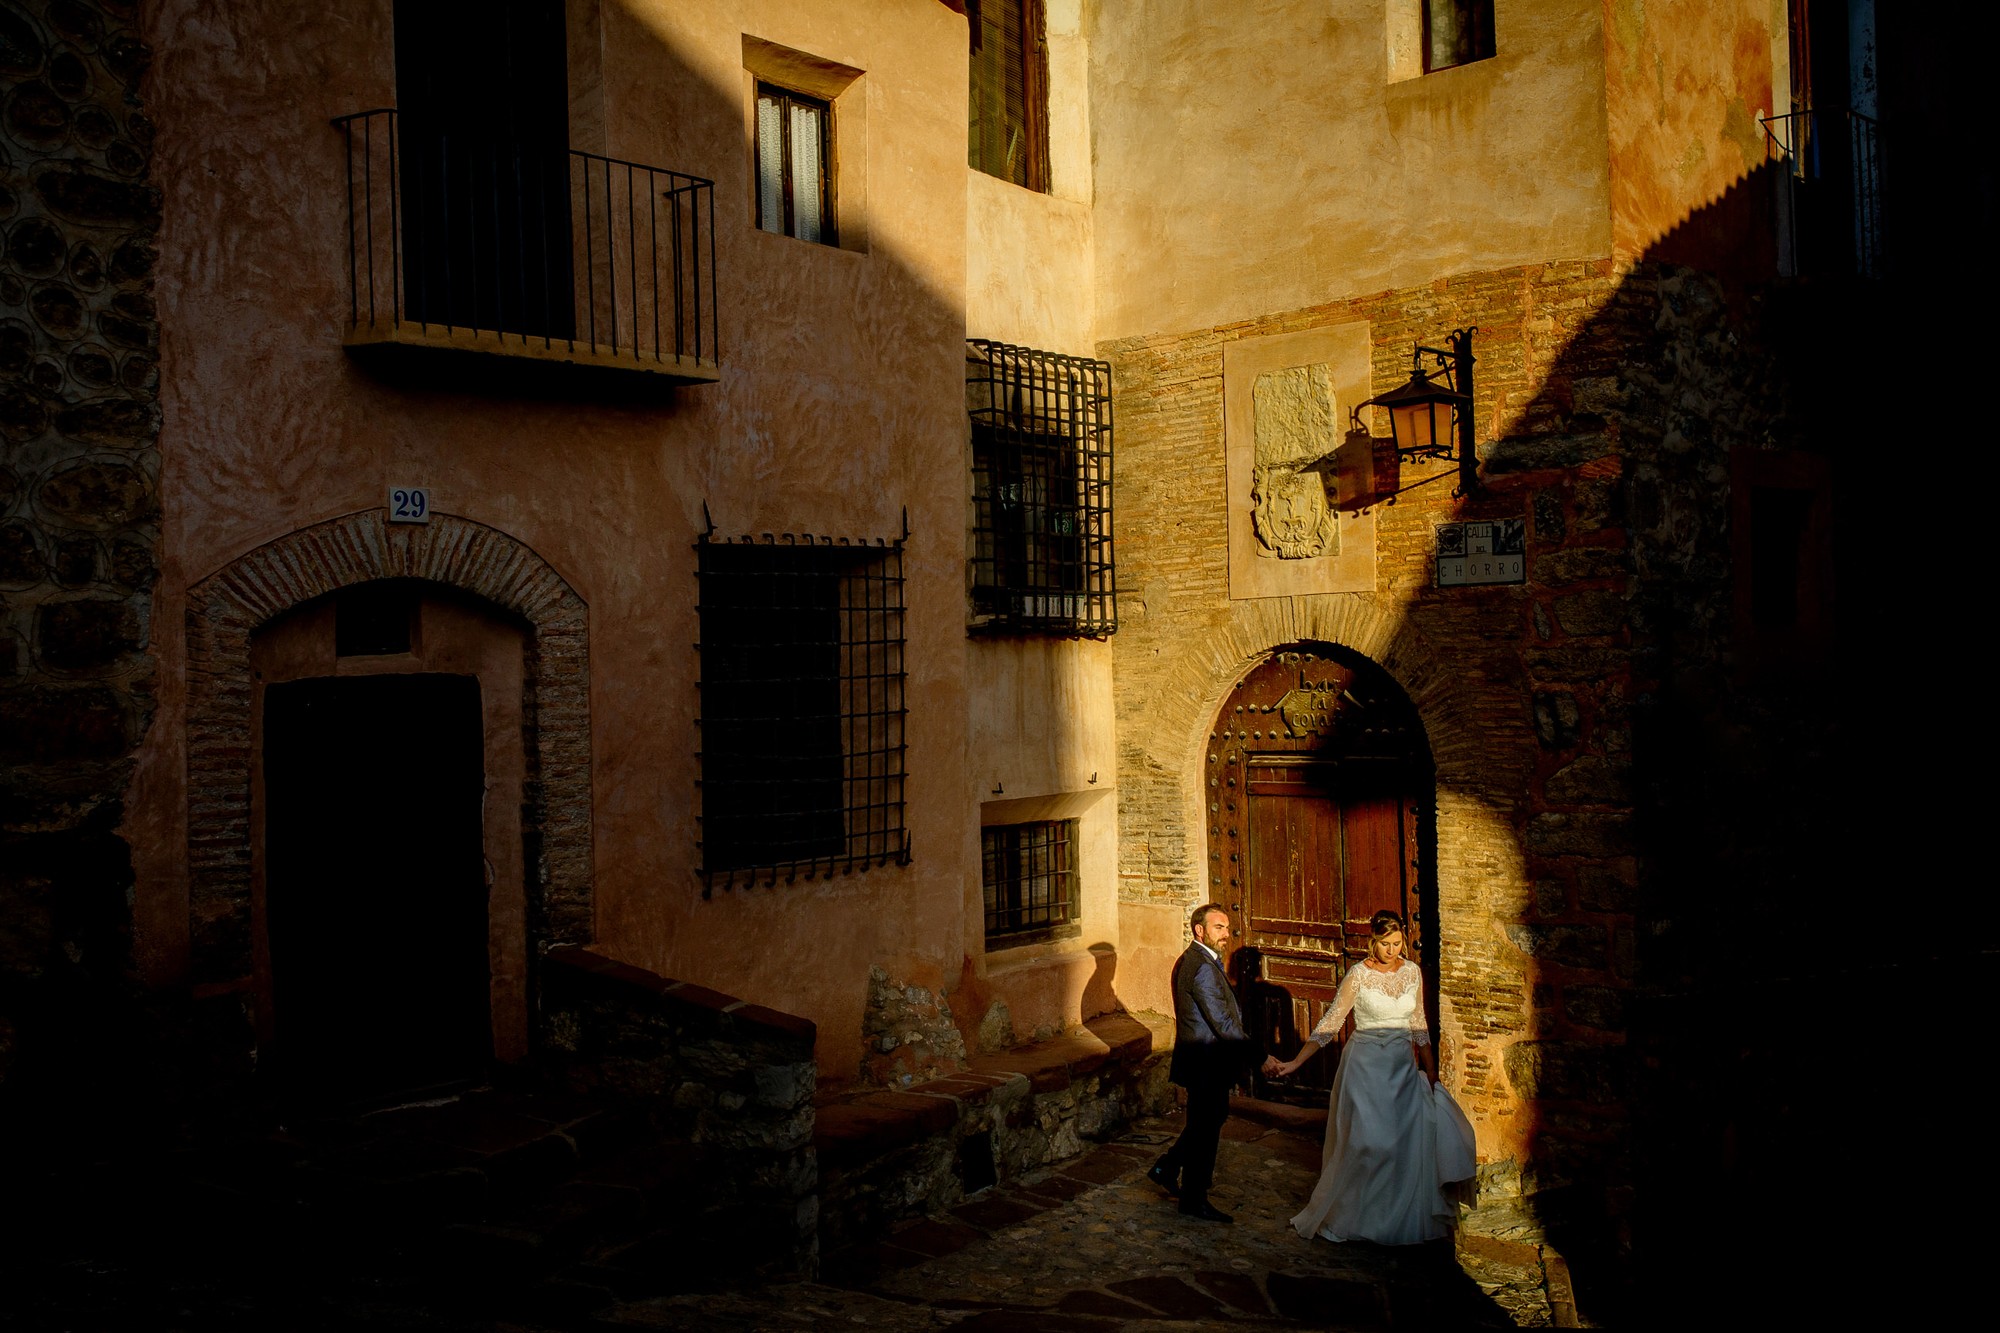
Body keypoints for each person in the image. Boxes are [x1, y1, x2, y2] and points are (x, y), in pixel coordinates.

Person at [1271, 909, 1476, 1245]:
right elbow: (1331, 1023)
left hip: (1402, 1070)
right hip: (1365, 1068)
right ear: (1372, 941)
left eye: (1396, 943)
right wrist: (1296, 1062)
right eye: (1384, 944)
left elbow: (1419, 1023)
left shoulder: (1412, 973)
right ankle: (1357, 1216)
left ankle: (1396, 1219)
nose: (1391, 950)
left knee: (1403, 1145)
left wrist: (1431, 1069)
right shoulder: (1358, 975)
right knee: (1368, 1143)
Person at [1148, 904, 1281, 1223]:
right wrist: (1260, 1056)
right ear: (1199, 930)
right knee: (1205, 1129)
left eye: (1227, 927)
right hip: (1206, 1062)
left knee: (1205, 1122)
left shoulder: (1195, 959)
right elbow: (1223, 1022)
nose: (1226, 934)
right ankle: (1194, 1198)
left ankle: (1167, 1167)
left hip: (1203, 1061)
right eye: (1219, 927)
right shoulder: (1202, 966)